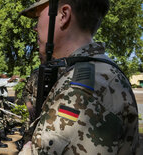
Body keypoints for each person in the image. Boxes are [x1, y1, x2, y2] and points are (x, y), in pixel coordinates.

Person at [19, 0, 139, 154]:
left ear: (64, 15)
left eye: (38, 18)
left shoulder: (82, 89)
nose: (35, 28)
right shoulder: (97, 72)